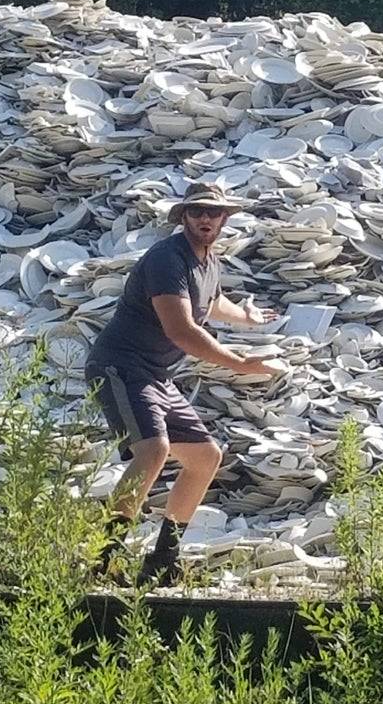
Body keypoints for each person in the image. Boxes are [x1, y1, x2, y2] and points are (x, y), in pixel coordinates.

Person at [85, 182, 279, 586]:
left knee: (206, 457)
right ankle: (103, 560)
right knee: (153, 449)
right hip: (120, 366)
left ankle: (163, 561)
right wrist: (239, 363)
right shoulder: (166, 259)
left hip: (157, 375)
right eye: (197, 211)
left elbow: (213, 302)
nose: (205, 218)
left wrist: (246, 318)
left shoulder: (209, 261)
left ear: (224, 218)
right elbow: (181, 330)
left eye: (213, 212)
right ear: (184, 216)